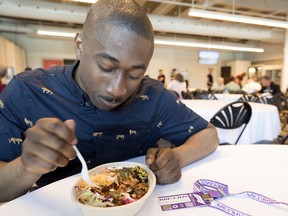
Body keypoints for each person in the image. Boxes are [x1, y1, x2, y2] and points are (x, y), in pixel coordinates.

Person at [0, 0, 218, 202]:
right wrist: (27, 167)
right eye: (106, 67)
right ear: (79, 46)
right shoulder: (27, 91)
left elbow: (209, 135)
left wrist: (178, 157)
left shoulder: (154, 97)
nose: (117, 89)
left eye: (134, 75)